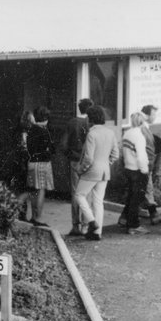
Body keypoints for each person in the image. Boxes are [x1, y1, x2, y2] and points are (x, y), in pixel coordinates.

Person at [72, 106, 120, 241]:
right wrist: (106, 163)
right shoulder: (110, 132)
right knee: (98, 202)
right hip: (104, 170)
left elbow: (88, 158)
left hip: (91, 170)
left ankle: (92, 222)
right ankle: (97, 233)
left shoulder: (92, 134)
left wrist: (80, 170)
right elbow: (115, 154)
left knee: (79, 195)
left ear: (91, 119)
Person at [63, 98, 93, 235]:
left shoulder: (72, 122)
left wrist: (69, 154)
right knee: (87, 193)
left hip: (74, 160)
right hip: (88, 162)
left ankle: (75, 226)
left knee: (75, 193)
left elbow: (64, 143)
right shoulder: (90, 124)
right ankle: (86, 225)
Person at [120, 112, 150, 235]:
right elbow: (141, 156)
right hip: (137, 170)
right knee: (136, 198)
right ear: (142, 122)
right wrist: (145, 170)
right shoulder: (139, 136)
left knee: (131, 195)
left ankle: (124, 219)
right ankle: (133, 225)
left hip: (128, 167)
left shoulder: (127, 133)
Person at [25, 106, 54, 226]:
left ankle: (33, 216)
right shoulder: (44, 131)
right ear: (46, 118)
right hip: (42, 163)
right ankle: (38, 218)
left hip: (32, 163)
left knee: (33, 191)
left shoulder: (31, 130)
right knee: (41, 190)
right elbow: (50, 149)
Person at [140, 104, 160, 224]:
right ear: (146, 115)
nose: (155, 117)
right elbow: (147, 149)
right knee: (147, 189)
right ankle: (153, 214)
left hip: (145, 164)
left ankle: (125, 217)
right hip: (146, 164)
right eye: (154, 114)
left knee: (144, 189)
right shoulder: (143, 129)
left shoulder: (144, 127)